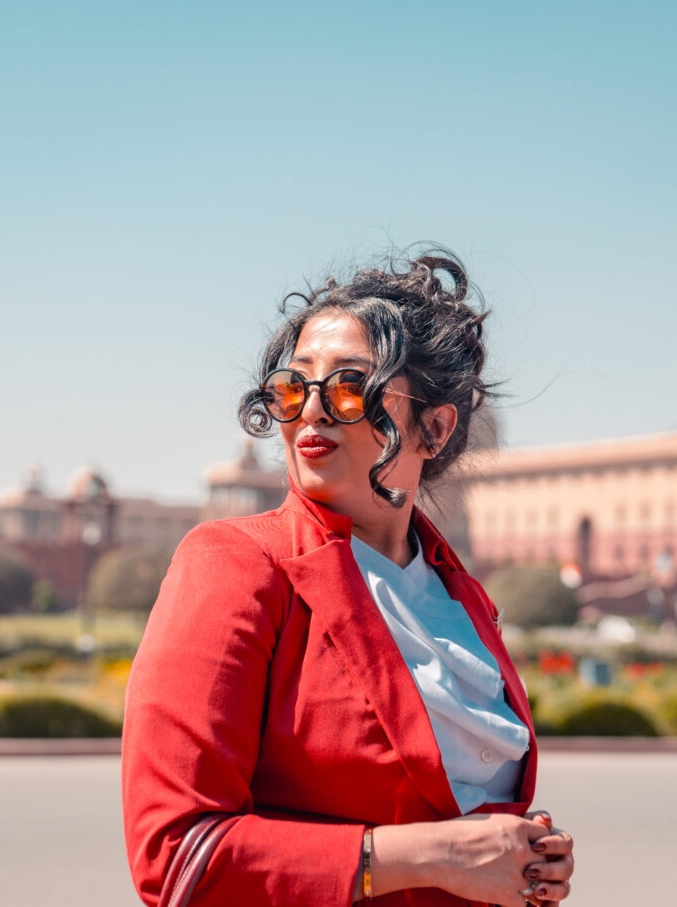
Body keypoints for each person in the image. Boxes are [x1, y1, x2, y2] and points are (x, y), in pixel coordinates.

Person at [121, 251, 575, 907]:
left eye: (349, 385)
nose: (311, 410)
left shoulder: (462, 599)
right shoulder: (239, 565)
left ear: (435, 426)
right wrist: (432, 856)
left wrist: (528, 859)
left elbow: (447, 809)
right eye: (292, 385)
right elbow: (176, 855)